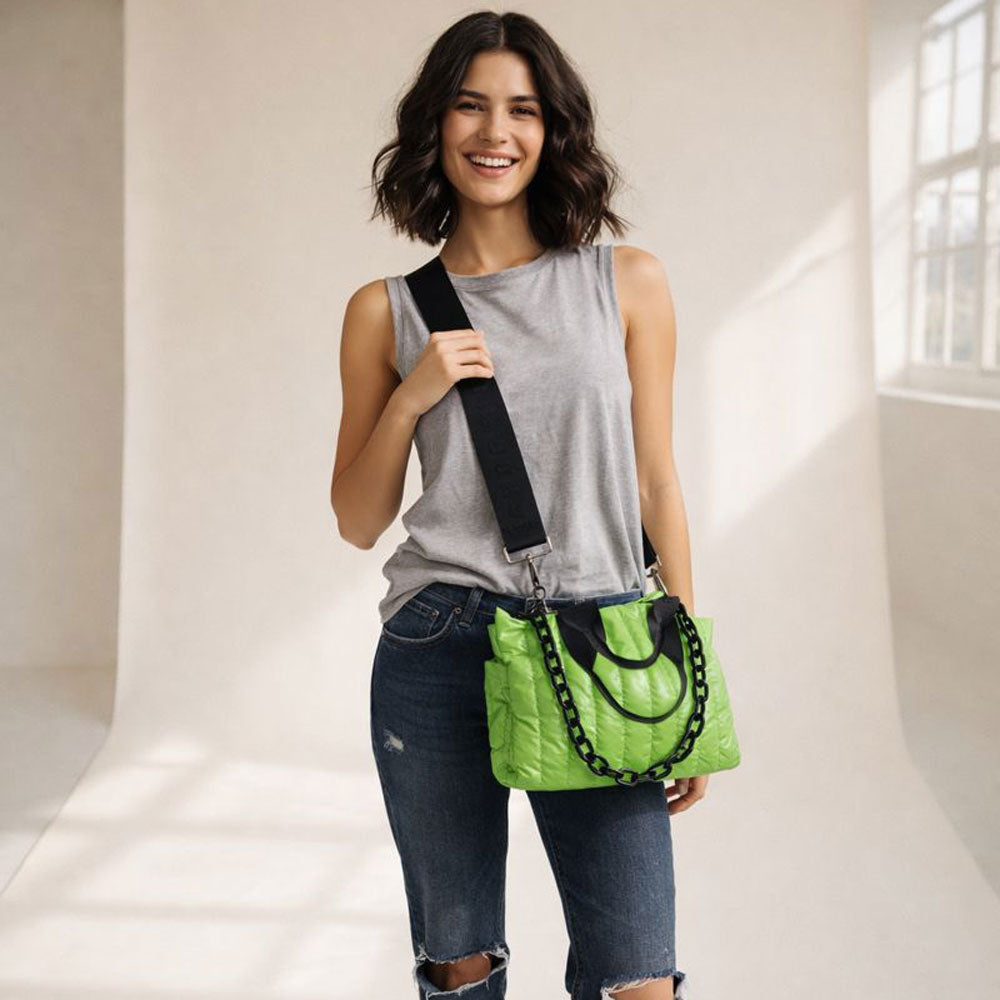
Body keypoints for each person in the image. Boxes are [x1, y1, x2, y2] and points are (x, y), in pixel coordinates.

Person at [330, 10, 708, 999]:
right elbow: (356, 517)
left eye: (522, 109)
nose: (495, 132)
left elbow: (657, 477)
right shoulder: (386, 310)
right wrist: (414, 391)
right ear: (434, 125)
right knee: (459, 959)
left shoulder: (625, 282)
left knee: (639, 977)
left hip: (603, 638)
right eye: (469, 105)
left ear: (552, 132)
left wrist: (686, 664)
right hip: (437, 647)